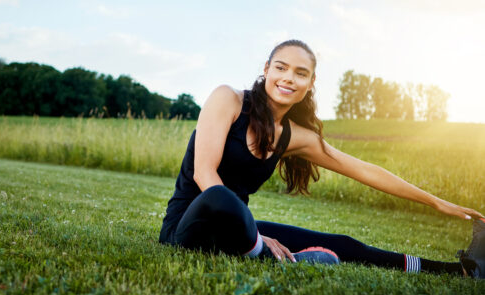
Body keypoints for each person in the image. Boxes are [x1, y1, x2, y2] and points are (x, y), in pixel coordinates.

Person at [158, 39, 485, 278]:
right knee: (220, 197)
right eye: (281, 68)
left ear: (310, 84)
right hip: (189, 229)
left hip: (236, 234)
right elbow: (203, 173)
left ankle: (457, 272)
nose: (288, 78)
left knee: (344, 245)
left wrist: (438, 203)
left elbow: (363, 169)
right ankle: (266, 256)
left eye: (300, 73)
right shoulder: (227, 99)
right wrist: (259, 238)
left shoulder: (295, 136)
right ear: (266, 70)